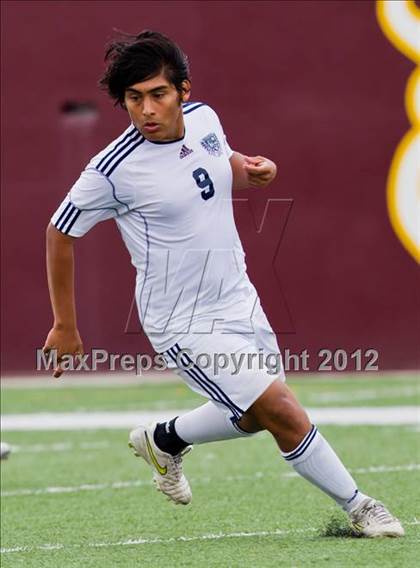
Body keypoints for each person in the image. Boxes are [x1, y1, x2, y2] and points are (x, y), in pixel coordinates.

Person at [43, 30, 403, 538]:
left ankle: (164, 440)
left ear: (183, 91)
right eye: (134, 98)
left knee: (258, 415)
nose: (146, 109)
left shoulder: (206, 119)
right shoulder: (111, 171)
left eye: (158, 94)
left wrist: (253, 168)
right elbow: (59, 232)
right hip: (181, 321)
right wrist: (65, 324)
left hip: (237, 296)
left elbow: (221, 163)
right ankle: (361, 505)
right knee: (281, 410)